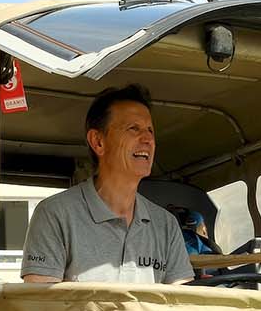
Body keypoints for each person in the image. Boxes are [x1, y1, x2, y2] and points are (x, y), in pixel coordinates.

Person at [21, 85, 195, 285]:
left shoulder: (166, 225)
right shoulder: (55, 214)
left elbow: (183, 304)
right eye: (134, 128)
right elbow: (42, 307)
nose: (148, 139)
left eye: (150, 130)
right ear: (98, 142)